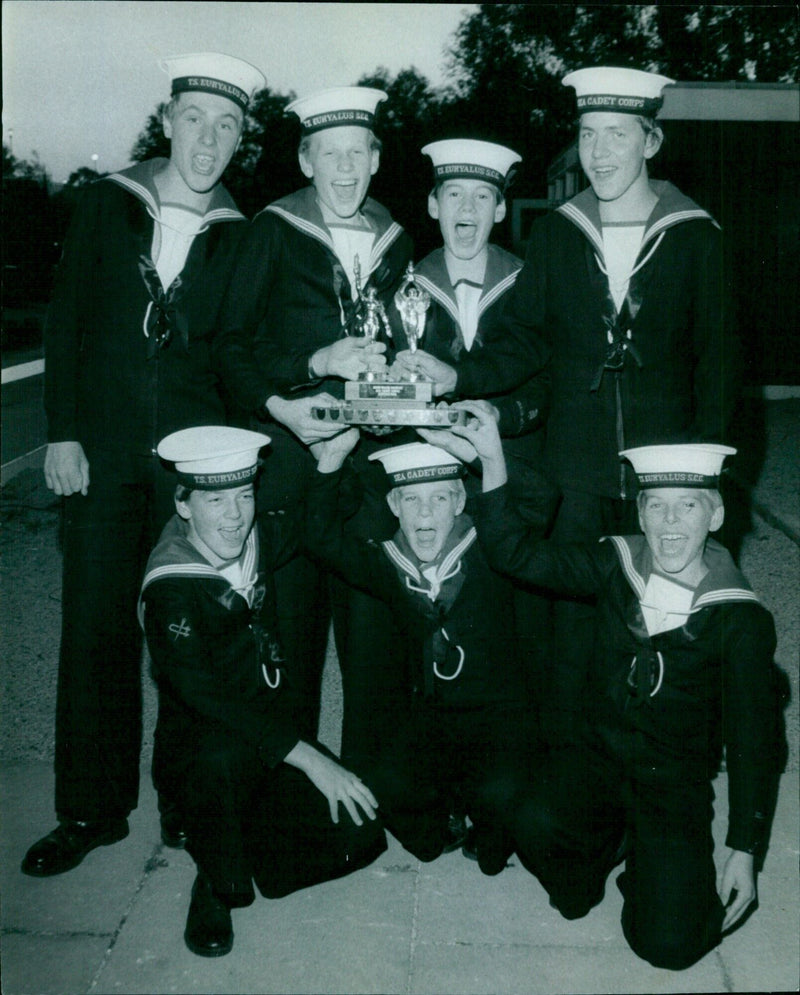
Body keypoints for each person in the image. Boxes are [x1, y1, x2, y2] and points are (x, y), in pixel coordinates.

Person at [408, 67, 741, 747]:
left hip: (662, 477)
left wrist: (698, 482)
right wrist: (457, 371)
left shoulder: (696, 234)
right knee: (572, 647)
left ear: (651, 140)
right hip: (575, 477)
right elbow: (526, 340)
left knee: (664, 626)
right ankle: (575, 781)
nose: (600, 152)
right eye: (588, 135)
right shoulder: (558, 234)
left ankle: (669, 767)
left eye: (617, 135)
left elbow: (720, 366)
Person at [23, 53, 267, 878]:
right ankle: (91, 809)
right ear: (169, 120)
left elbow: (240, 354)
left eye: (227, 125)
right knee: (94, 631)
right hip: (103, 452)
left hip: (192, 468)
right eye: (195, 118)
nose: (208, 139)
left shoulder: (242, 231)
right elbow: (69, 319)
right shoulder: (107, 203)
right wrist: (62, 431)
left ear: (240, 140)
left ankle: (189, 804)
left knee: (185, 635)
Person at [434, 404, 780, 970]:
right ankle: (609, 845)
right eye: (656, 507)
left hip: (670, 784)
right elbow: (515, 554)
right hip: (596, 758)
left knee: (670, 946)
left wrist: (745, 848)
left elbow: (754, 744)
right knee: (545, 846)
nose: (670, 526)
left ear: (714, 516)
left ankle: (645, 858)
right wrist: (492, 459)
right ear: (639, 514)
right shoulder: (614, 562)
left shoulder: (738, 619)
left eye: (687, 507)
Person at [214, 86, 413, 756]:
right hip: (291, 467)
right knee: (289, 644)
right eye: (330, 154)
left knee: (374, 644)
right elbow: (231, 345)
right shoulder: (271, 229)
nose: (345, 168)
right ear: (306, 162)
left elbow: (401, 350)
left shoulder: (395, 239)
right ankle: (288, 807)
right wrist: (303, 374)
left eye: (357, 152)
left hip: (364, 472)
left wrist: (392, 407)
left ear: (376, 159)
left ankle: (376, 793)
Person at [138, 426, 385, 957]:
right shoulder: (171, 583)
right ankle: (214, 880)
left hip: (268, 738)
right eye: (215, 499)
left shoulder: (256, 539)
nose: (234, 515)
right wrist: (313, 761)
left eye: (244, 495)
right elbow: (205, 697)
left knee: (362, 833)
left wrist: (329, 461)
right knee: (222, 758)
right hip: (206, 748)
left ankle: (239, 833)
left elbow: (316, 526)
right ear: (183, 504)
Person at [304, 434, 557, 874]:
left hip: (498, 716)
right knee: (389, 789)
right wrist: (330, 461)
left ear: (461, 502)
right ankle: (447, 820)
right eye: (411, 499)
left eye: (439, 498)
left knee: (503, 803)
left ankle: (489, 825)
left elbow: (542, 499)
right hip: (433, 716)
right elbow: (320, 539)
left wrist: (476, 451)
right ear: (393, 506)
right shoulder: (388, 562)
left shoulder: (493, 546)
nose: (424, 512)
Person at [393, 138, 552, 715]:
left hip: (509, 472)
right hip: (430, 474)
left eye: (483, 196)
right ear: (433, 205)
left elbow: (544, 381)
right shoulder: (403, 284)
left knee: (510, 624)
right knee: (436, 618)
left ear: (502, 210)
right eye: (453, 194)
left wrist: (499, 419)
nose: (467, 210)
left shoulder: (529, 280)